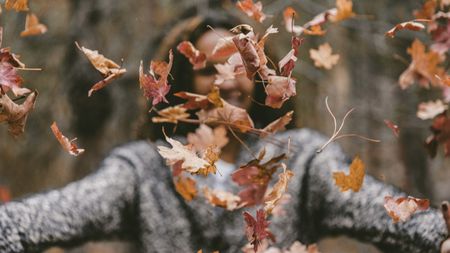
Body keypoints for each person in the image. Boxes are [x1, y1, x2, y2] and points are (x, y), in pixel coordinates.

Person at [0, 8, 448, 253]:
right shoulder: (143, 170)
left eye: (239, 66)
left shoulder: (301, 160)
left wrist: (439, 233)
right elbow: (52, 215)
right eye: (207, 71)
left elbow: (383, 212)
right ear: (180, 86)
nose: (226, 80)